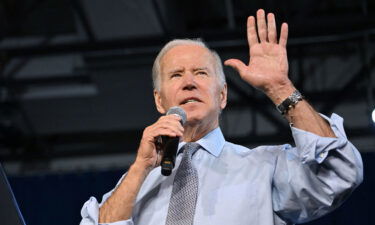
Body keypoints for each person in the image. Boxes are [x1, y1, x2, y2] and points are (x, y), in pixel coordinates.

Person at [80, 9, 363, 225]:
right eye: (176, 75)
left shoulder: (265, 169)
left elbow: (340, 174)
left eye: (201, 73)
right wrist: (141, 167)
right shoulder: (135, 182)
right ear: (159, 100)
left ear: (223, 95)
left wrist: (280, 87)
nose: (188, 83)